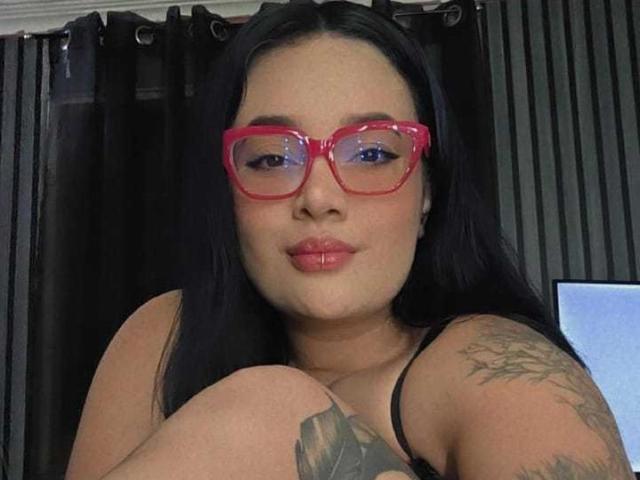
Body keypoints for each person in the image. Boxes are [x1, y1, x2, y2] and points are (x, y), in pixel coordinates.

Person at [65, 1, 635, 479]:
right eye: (271, 158)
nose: (319, 197)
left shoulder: (500, 369)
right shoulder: (165, 336)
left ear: (428, 194)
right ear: (227, 192)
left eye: (372, 153)